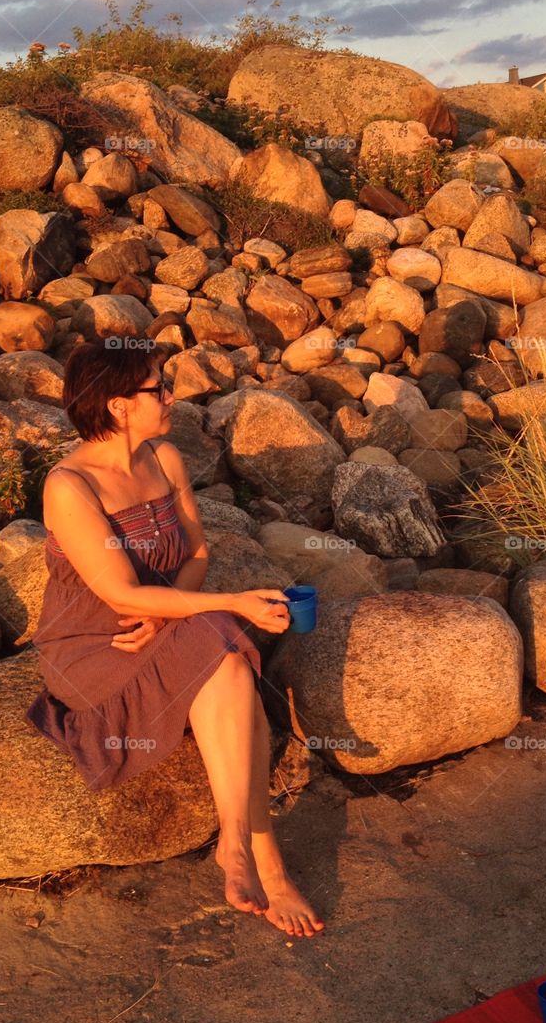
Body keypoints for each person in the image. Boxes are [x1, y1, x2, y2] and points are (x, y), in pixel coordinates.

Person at [26, 335, 325, 938]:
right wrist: (232, 603)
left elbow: (198, 552)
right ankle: (260, 858)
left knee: (229, 659)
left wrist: (172, 616)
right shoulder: (70, 486)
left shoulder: (163, 459)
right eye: (158, 386)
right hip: (96, 646)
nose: (171, 394)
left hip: (160, 624)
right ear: (117, 405)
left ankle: (240, 848)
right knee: (224, 638)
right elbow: (119, 596)